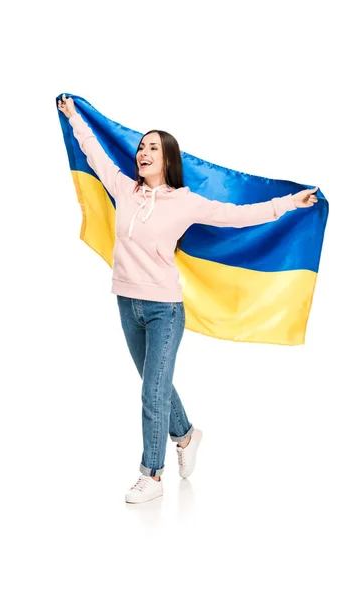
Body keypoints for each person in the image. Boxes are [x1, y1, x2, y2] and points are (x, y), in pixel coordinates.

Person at [57, 93, 318, 504]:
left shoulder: (185, 202)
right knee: (155, 385)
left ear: (167, 159)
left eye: (152, 148)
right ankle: (187, 435)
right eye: (141, 146)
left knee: (151, 392)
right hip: (127, 303)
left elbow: (238, 216)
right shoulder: (125, 190)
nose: (143, 152)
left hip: (165, 310)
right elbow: (93, 153)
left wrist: (289, 203)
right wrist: (74, 117)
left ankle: (152, 475)